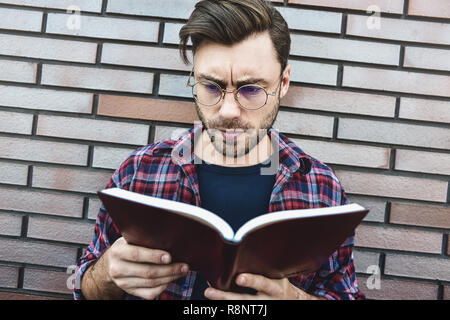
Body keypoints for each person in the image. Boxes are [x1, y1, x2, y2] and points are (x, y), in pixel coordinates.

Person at [74, 0, 365, 300]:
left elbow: (344, 294)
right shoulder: (139, 171)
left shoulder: (320, 187)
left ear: (284, 82)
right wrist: (105, 276)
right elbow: (86, 286)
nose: (227, 111)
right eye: (211, 87)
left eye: (251, 89)